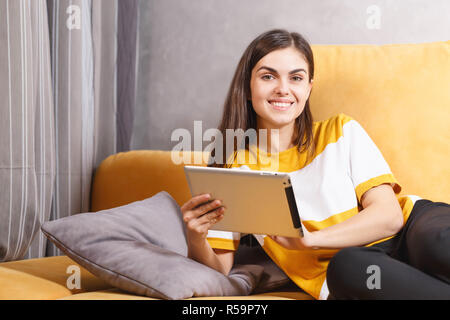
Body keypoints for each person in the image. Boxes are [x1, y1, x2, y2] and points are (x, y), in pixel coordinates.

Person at [180, 29, 450, 300]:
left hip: (411, 228)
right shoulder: (233, 168)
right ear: (248, 89)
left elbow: (390, 217)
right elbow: (220, 268)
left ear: (309, 88)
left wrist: (311, 240)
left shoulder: (341, 131)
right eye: (268, 76)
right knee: (346, 267)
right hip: (355, 267)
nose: (283, 89)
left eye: (295, 78)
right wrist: (195, 237)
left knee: (436, 243)